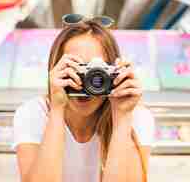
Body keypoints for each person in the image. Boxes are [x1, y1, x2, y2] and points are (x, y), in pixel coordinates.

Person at [13, 20, 155, 182]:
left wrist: (122, 117)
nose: (87, 82)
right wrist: (57, 109)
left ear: (114, 73)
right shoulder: (34, 113)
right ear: (55, 71)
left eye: (97, 72)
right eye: (76, 70)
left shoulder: (136, 117)